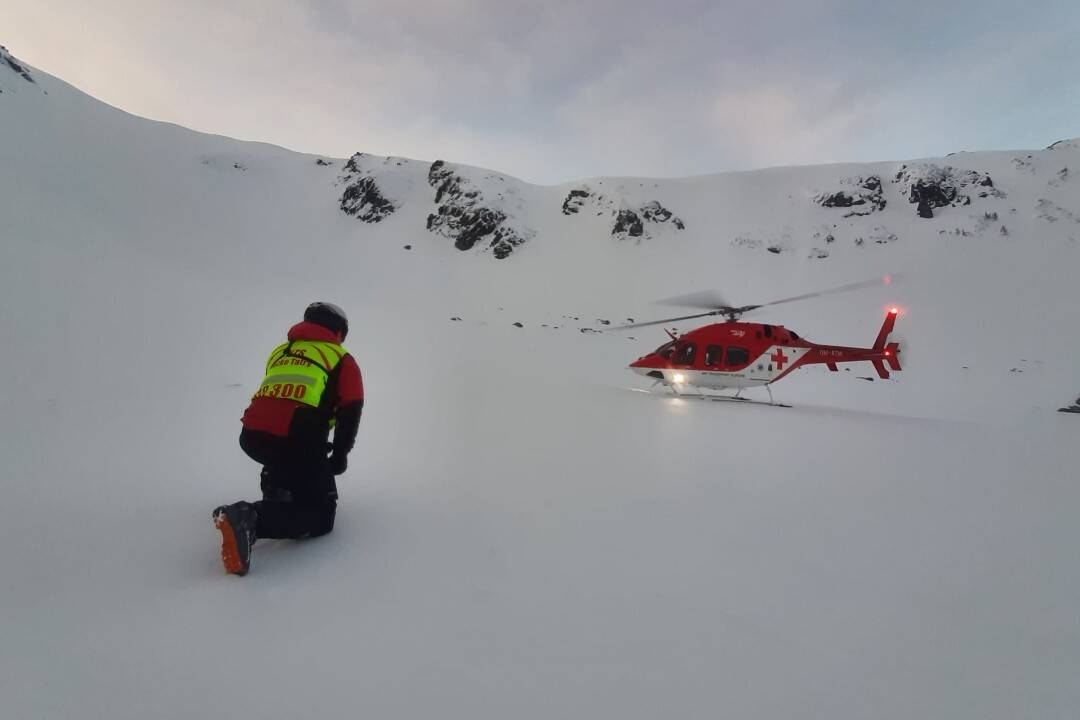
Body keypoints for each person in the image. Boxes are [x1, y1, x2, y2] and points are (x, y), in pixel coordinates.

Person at [212, 302, 364, 575]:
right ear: (338, 331)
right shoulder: (341, 359)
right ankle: (251, 518)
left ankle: (278, 490)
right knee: (322, 515)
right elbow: (350, 411)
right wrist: (339, 457)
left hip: (252, 438)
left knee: (293, 458)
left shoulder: (281, 352)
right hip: (296, 442)